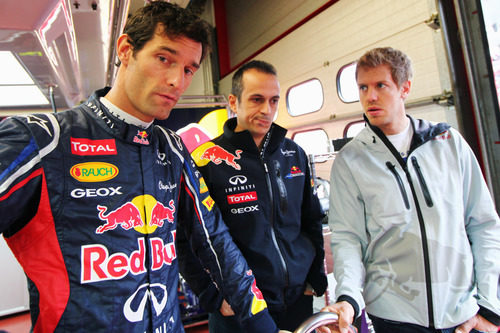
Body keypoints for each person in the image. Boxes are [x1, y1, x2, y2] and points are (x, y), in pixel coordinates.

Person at [0, 2, 281, 332]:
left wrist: (263, 325)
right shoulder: (43, 140)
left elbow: (215, 240)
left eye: (189, 69)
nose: (177, 80)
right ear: (126, 50)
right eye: (164, 59)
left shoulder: (173, 148)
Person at [319, 47, 500, 333]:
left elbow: (484, 225)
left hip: (462, 314)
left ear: (405, 88)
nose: (370, 96)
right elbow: (348, 239)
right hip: (394, 319)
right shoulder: (352, 161)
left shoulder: (448, 143)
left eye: (381, 85)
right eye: (363, 87)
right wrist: (349, 296)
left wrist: (490, 304)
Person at [178, 60, 328, 332]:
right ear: (233, 102)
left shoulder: (294, 153)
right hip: (239, 307)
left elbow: (312, 219)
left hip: (296, 302)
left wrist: (314, 280)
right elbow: (185, 240)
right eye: (257, 99)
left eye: (274, 100)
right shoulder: (204, 161)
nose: (267, 110)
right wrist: (212, 297)